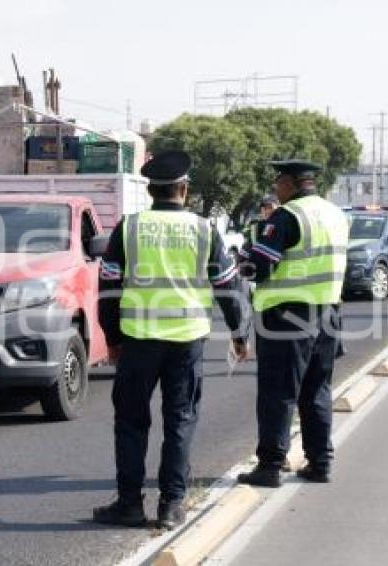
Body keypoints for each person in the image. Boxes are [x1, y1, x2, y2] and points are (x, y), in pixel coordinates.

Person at [93, 150, 251, 530]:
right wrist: (239, 333)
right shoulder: (203, 229)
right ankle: (172, 505)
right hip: (186, 342)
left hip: (137, 341)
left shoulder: (128, 228)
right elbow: (228, 286)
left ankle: (129, 505)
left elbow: (108, 287)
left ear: (151, 190)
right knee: (180, 421)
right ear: (184, 188)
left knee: (131, 423)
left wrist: (112, 338)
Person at [237, 160, 349, 488]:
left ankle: (271, 466)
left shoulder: (287, 216)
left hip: (287, 316)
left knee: (278, 391)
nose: (275, 188)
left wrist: (243, 264)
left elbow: (260, 267)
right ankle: (320, 462)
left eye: (278, 182)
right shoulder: (335, 214)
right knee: (317, 390)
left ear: (291, 183)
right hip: (326, 312)